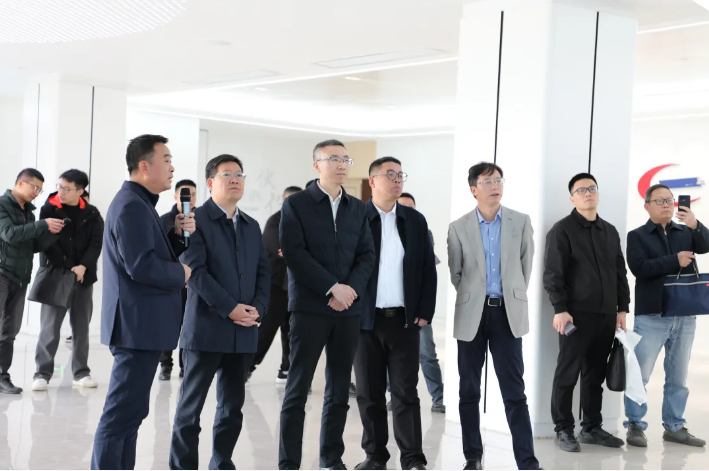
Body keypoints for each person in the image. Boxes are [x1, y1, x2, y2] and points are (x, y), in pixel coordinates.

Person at [91, 134, 195, 470]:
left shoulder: (140, 203)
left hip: (140, 327)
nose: (172, 167)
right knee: (121, 415)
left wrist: (175, 237)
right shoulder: (132, 206)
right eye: (166, 160)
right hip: (135, 328)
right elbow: (140, 265)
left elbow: (145, 255)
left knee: (131, 414)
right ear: (144, 166)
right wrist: (181, 273)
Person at [278, 139, 376, 470]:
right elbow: (295, 254)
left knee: (338, 390)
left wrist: (349, 291)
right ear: (316, 165)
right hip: (309, 308)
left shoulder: (358, 208)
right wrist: (332, 288)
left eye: (346, 159)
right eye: (333, 158)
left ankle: (331, 459)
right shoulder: (297, 205)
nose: (341, 164)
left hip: (347, 310)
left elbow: (367, 255)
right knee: (297, 389)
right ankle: (288, 463)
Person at [170, 154, 270, 468]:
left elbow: (264, 272)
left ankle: (222, 463)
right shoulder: (193, 221)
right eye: (227, 174)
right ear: (210, 182)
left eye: (240, 174)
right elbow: (195, 272)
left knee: (232, 409)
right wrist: (230, 309)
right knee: (190, 410)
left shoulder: (251, 226)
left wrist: (257, 310)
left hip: (243, 333)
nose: (235, 179)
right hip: (205, 331)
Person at [447, 162, 540, 471]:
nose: (495, 185)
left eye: (498, 180)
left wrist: (507, 296)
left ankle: (527, 461)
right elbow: (457, 273)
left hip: (507, 315)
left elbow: (525, 268)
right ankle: (472, 457)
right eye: (487, 181)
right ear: (473, 189)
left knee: (514, 392)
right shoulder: (458, 227)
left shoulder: (520, 221)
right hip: (471, 315)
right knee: (469, 390)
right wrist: (476, 297)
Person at [353, 157, 436, 471]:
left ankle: (412, 458)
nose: (397, 179)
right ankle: (375, 456)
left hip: (404, 320)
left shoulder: (414, 220)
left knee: (405, 392)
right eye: (390, 174)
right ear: (373, 181)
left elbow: (427, 268)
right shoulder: (355, 218)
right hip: (364, 321)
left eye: (400, 174)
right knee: (369, 393)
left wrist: (425, 310)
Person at [543, 173, 630, 452]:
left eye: (592, 188)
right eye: (581, 190)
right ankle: (563, 429)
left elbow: (619, 272)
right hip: (575, 316)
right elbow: (553, 275)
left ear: (598, 194)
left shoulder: (610, 231)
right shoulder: (562, 230)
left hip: (606, 315)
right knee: (567, 373)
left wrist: (622, 309)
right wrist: (560, 309)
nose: (588, 193)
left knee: (595, 374)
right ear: (572, 198)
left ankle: (591, 427)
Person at [623, 183, 709, 448]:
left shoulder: (686, 231)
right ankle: (635, 425)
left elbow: (706, 245)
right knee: (641, 374)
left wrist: (695, 224)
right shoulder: (637, 236)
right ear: (647, 206)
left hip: (684, 314)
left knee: (678, 376)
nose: (667, 205)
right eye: (660, 201)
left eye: (670, 200)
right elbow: (639, 268)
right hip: (652, 314)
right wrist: (675, 260)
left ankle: (674, 426)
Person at [32, 169, 104, 391]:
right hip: (56, 273)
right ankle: (42, 374)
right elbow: (47, 242)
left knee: (81, 329)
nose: (61, 192)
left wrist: (83, 266)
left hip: (83, 277)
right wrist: (70, 266)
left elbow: (96, 243)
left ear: (80, 191)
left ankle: (81, 373)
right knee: (50, 328)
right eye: (60, 186)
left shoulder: (92, 213)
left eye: (66, 188)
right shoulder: (49, 209)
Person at [0, 169, 64, 395]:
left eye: (40, 189)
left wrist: (53, 232)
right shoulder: (2, 205)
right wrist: (43, 224)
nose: (37, 193)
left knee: (10, 331)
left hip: (21, 278)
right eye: (34, 187)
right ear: (20, 183)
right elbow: (9, 234)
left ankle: (2, 376)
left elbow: (31, 245)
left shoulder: (28, 212)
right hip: (2, 273)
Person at [396, 192, 445, 414]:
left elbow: (427, 271)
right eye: (403, 206)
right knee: (393, 356)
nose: (408, 210)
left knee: (427, 353)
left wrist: (425, 309)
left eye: (411, 206)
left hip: (416, 306)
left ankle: (438, 397)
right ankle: (393, 395)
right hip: (392, 305)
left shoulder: (423, 231)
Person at [250, 185, 303, 382]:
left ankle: (286, 368)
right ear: (284, 200)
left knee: (292, 329)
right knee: (268, 326)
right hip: (275, 284)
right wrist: (299, 251)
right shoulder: (275, 221)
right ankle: (246, 366)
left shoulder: (303, 222)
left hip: (296, 285)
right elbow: (282, 250)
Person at [158, 179, 198, 381]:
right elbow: (161, 252)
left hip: (195, 283)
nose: (189, 198)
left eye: (193, 194)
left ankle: (185, 365)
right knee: (169, 324)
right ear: (175, 197)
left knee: (189, 326)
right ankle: (165, 365)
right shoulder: (164, 220)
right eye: (184, 194)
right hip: (172, 281)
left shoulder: (202, 220)